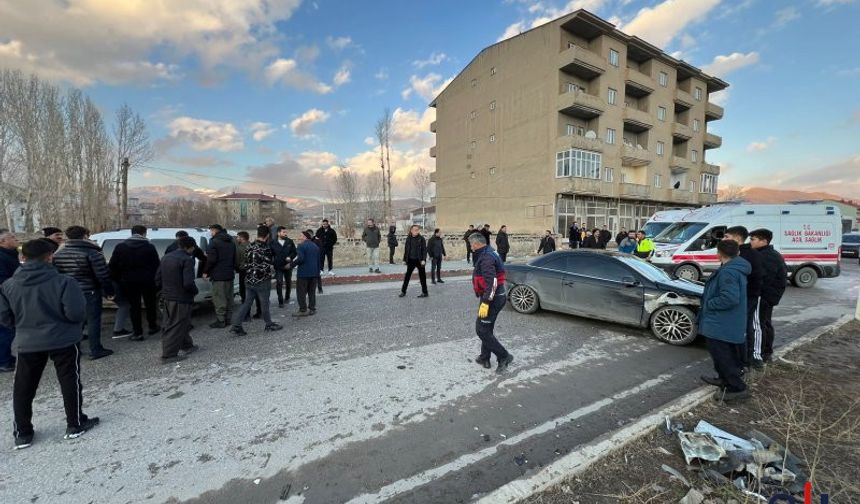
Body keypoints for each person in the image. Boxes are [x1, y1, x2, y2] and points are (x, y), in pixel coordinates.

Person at [0, 239, 99, 449]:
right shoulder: (64, 282)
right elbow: (76, 313)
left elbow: (4, 317)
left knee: (23, 387)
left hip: (27, 341)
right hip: (63, 339)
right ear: (49, 257)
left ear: (22, 258)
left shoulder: (8, 286)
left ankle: (23, 433)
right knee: (69, 380)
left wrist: (24, 326)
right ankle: (75, 423)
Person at [698, 240, 751, 402]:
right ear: (738, 253)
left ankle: (737, 388)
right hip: (726, 321)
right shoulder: (734, 268)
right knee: (724, 354)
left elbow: (729, 298)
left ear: (718, 254)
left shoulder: (728, 272)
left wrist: (709, 304)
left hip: (721, 323)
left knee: (723, 356)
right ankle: (724, 379)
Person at [53, 226, 116, 360]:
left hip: (68, 292)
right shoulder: (92, 252)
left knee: (74, 321)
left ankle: (75, 350)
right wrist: (109, 291)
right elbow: (103, 275)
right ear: (85, 236)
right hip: (89, 291)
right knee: (93, 320)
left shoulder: (58, 253)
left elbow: (56, 274)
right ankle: (96, 349)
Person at [469, 233, 514, 373]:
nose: (470, 247)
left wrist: (486, 302)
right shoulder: (489, 251)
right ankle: (484, 357)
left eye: (471, 244)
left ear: (476, 244)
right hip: (495, 296)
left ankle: (504, 356)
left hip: (492, 298)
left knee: (481, 330)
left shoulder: (487, 257)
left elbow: (492, 282)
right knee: (487, 328)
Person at [109, 225, 160, 341]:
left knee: (134, 307)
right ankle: (152, 326)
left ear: (132, 233)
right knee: (150, 304)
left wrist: (118, 280)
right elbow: (156, 265)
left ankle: (137, 333)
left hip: (128, 282)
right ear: (144, 233)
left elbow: (112, 266)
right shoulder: (149, 247)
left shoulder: (121, 247)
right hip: (148, 281)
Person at [723, 226, 763, 370]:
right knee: (741, 328)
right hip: (741, 297)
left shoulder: (746, 255)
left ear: (737, 239)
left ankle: (743, 361)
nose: (723, 239)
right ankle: (742, 359)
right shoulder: (739, 253)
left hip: (744, 298)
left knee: (743, 328)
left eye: (727, 237)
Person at [155, 236, 200, 363]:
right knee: (176, 325)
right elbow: (188, 283)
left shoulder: (166, 257)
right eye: (193, 248)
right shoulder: (187, 260)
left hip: (168, 296)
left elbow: (158, 278)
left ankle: (187, 345)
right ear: (189, 247)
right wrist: (194, 291)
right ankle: (168, 355)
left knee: (180, 322)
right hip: (181, 298)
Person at [231, 226, 283, 333]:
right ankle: (269, 324)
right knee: (264, 303)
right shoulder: (266, 248)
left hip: (249, 279)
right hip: (262, 280)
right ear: (268, 235)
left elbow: (245, 261)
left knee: (247, 303)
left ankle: (236, 325)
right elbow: (270, 263)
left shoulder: (249, 246)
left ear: (258, 233)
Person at [749, 228, 787, 367]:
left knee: (759, 325)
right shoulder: (766, 253)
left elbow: (764, 278)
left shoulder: (766, 256)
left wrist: (755, 293)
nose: (750, 242)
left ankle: (759, 356)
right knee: (764, 323)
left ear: (764, 241)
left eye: (753, 239)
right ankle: (766, 352)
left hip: (763, 295)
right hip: (767, 295)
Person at [204, 224, 236, 328]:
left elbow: (211, 259)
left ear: (215, 230)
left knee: (219, 298)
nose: (210, 233)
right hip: (229, 274)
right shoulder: (231, 241)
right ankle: (228, 319)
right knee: (228, 298)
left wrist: (206, 271)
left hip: (218, 275)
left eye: (211, 231)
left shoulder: (214, 242)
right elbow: (234, 257)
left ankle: (221, 321)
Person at [0, 229, 20, 372]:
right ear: (2, 241)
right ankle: (4, 361)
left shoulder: (11, 254)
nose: (16, 239)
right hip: (4, 298)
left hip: (9, 295)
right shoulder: (1, 257)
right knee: (5, 328)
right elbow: (3, 279)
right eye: (11, 237)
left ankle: (7, 357)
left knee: (9, 328)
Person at [291, 230, 321, 316]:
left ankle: (303, 310)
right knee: (312, 292)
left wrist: (291, 265)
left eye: (300, 236)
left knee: (301, 292)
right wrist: (317, 273)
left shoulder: (301, 246)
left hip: (303, 273)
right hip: (314, 273)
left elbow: (300, 259)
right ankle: (312, 309)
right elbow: (319, 261)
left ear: (305, 237)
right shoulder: (315, 246)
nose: (299, 238)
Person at [234, 232, 262, 321]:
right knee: (257, 292)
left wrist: (238, 268)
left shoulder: (239, 248)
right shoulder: (254, 246)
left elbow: (237, 261)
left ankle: (246, 315)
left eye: (238, 237)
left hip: (244, 271)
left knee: (244, 293)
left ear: (242, 238)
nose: (237, 238)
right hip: (255, 272)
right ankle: (259, 312)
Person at [400, 225, 429, 298]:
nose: (416, 231)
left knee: (422, 277)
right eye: (415, 230)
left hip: (419, 260)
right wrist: (404, 260)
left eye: (417, 230)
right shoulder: (408, 239)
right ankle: (403, 291)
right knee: (407, 276)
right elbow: (406, 250)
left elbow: (424, 250)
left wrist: (423, 260)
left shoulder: (421, 239)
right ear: (411, 230)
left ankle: (425, 292)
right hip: (410, 260)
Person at [271, 226, 297, 307]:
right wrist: (272, 264)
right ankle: (280, 301)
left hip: (288, 265)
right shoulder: (272, 242)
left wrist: (290, 257)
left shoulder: (290, 241)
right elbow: (270, 255)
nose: (285, 233)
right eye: (283, 232)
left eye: (286, 232)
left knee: (288, 282)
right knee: (279, 282)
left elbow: (294, 252)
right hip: (278, 266)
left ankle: (287, 297)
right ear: (278, 233)